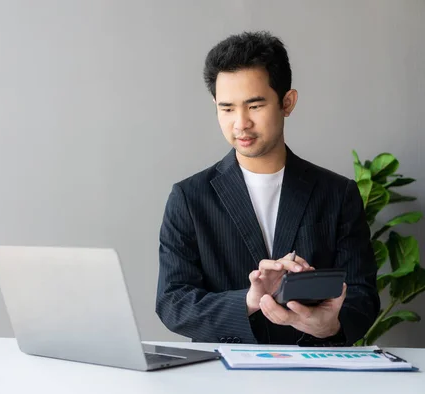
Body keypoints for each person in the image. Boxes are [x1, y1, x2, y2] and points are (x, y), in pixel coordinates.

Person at [155, 31, 379, 346]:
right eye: (227, 108)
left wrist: (329, 325)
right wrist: (248, 300)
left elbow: (362, 294)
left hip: (315, 377)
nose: (240, 123)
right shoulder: (190, 198)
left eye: (255, 106)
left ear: (287, 102)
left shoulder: (337, 194)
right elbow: (173, 302)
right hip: (221, 378)